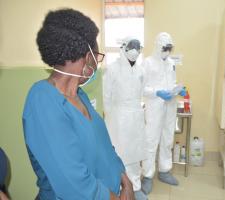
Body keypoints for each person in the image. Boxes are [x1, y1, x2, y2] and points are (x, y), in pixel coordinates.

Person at [22, 9, 134, 200]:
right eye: (97, 56)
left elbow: (104, 148)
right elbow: (73, 184)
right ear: (87, 55)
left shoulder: (79, 95)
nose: (97, 64)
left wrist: (125, 180)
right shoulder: (42, 100)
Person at [103, 37, 148, 200]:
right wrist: (110, 119)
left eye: (138, 47)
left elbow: (142, 92)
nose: (135, 50)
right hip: (118, 118)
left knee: (135, 153)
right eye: (131, 46)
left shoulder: (141, 70)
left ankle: (135, 187)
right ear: (123, 48)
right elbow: (106, 96)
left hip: (136, 115)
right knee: (121, 153)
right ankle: (120, 187)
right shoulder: (112, 69)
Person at [141, 32, 186, 194]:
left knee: (168, 139)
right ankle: (147, 176)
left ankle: (164, 171)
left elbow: (172, 82)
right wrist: (157, 92)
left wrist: (179, 89)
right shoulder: (147, 62)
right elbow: (142, 88)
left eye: (169, 48)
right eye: (165, 48)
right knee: (151, 141)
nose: (167, 51)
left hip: (170, 105)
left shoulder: (171, 63)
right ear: (158, 46)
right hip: (154, 106)